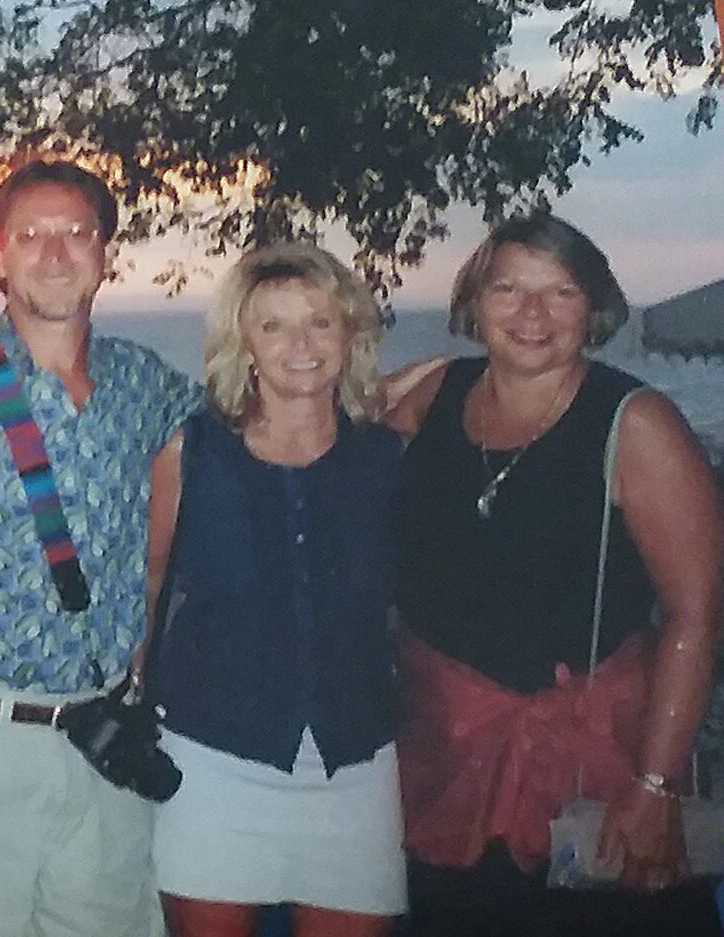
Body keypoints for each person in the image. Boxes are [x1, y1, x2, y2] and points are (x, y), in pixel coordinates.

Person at [389, 213, 724, 935]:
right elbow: (317, 443)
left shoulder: (637, 424)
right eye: (507, 288)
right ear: (474, 300)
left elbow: (697, 615)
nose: (531, 314)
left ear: (593, 307)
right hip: (442, 765)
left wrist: (656, 784)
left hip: (589, 769)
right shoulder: (433, 394)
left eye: (560, 292)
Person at [0, 159, 198, 936]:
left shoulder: (142, 381)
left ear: (106, 252)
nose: (55, 252)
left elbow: (216, 428)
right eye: (30, 235)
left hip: (105, 740)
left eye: (77, 233)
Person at [146, 243, 405, 937]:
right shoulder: (193, 454)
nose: (301, 344)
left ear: (349, 335)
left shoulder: (386, 460)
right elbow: (149, 585)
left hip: (356, 764)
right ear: (245, 345)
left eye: (320, 322)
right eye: (275, 326)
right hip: (211, 760)